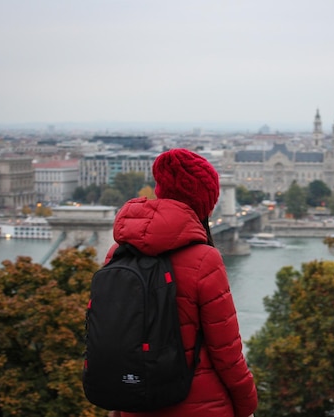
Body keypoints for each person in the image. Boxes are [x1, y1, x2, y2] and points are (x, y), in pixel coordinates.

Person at [104, 148, 257, 417]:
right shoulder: (204, 260)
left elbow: (113, 337)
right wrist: (247, 406)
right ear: (203, 204)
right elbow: (227, 354)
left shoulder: (118, 252)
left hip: (135, 402)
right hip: (202, 406)